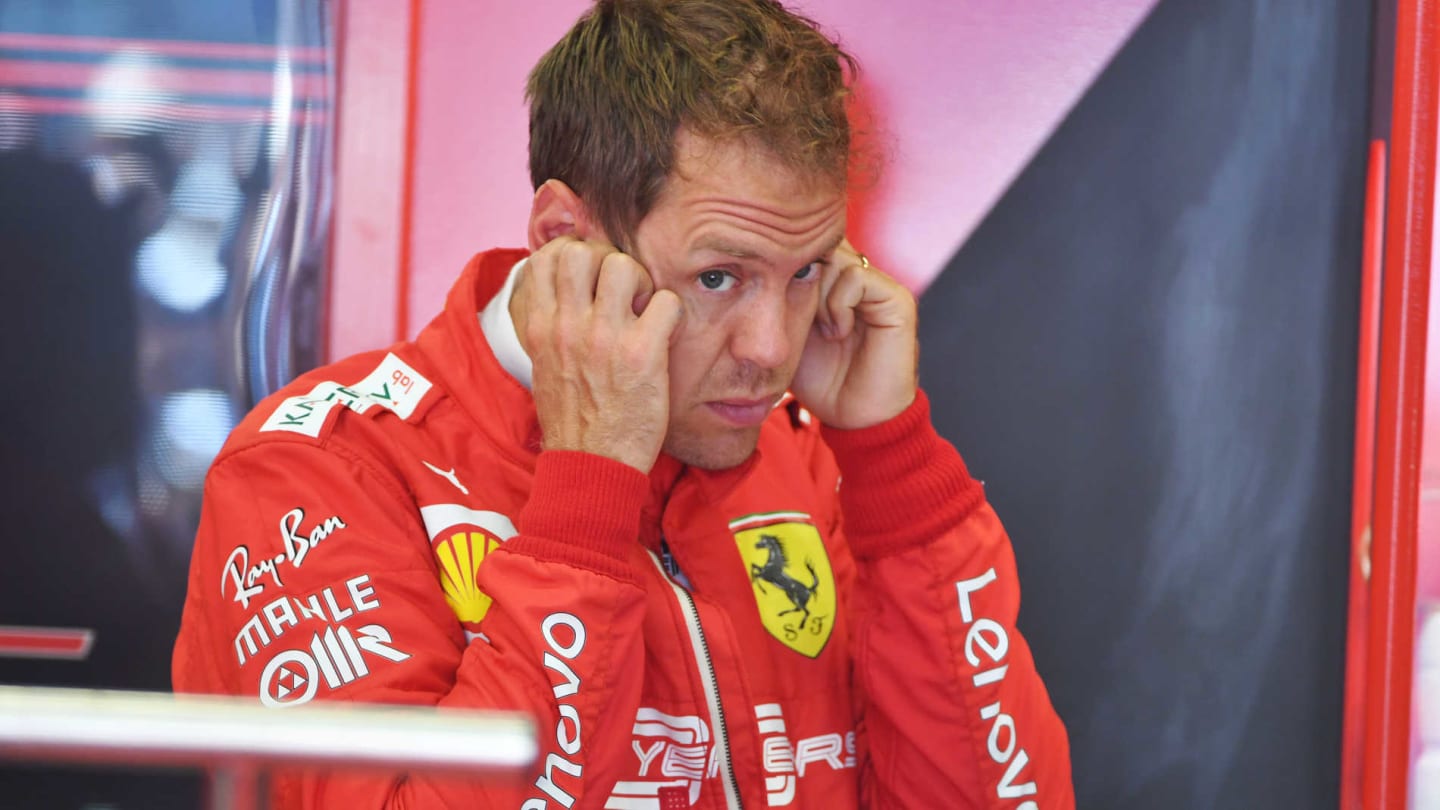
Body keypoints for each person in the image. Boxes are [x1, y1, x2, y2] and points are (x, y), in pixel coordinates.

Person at [172, 0, 1075, 806]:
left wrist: (890, 461)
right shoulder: (323, 472)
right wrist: (588, 495)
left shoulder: (809, 456)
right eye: (719, 276)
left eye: (805, 273)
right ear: (566, 238)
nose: (771, 348)